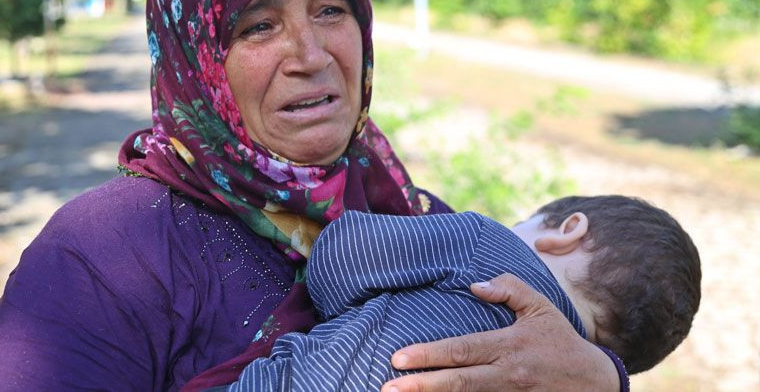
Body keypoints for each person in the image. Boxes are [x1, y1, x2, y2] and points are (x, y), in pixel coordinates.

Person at [0, 0, 623, 391]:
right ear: (197, 60)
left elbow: (533, 346)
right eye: (258, 25)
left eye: (330, 10)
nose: (310, 54)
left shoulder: (399, 210)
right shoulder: (107, 251)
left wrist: (600, 374)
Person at [185, 195, 701, 391]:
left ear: (566, 230)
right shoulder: (560, 381)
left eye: (523, 219)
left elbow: (342, 254)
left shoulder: (484, 243)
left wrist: (370, 312)